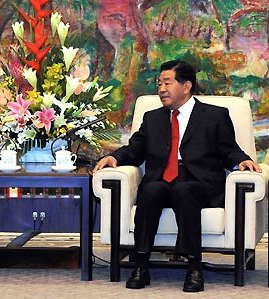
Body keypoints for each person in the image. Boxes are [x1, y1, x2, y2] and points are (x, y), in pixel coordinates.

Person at [93, 60, 261, 292]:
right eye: (159, 83)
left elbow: (227, 149)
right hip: (162, 178)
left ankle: (194, 267)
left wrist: (241, 159)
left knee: (184, 190)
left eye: (167, 83)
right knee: (151, 190)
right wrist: (116, 158)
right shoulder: (153, 118)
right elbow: (135, 148)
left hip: (198, 181)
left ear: (186, 86)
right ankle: (141, 264)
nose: (161, 89)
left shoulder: (214, 115)